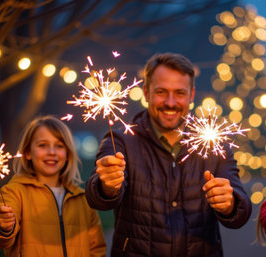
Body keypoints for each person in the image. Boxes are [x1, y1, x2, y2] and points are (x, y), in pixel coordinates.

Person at [85, 52, 252, 256]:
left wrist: (230, 204)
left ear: (191, 95)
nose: (171, 103)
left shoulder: (214, 146)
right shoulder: (121, 141)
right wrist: (107, 185)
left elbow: (242, 213)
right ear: (146, 92)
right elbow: (97, 198)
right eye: (161, 92)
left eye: (180, 93)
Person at [0, 115, 107, 257]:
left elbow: (98, 249)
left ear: (67, 154)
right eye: (43, 145)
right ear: (28, 152)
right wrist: (2, 227)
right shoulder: (13, 192)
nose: (52, 152)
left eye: (59, 146)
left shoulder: (83, 199)